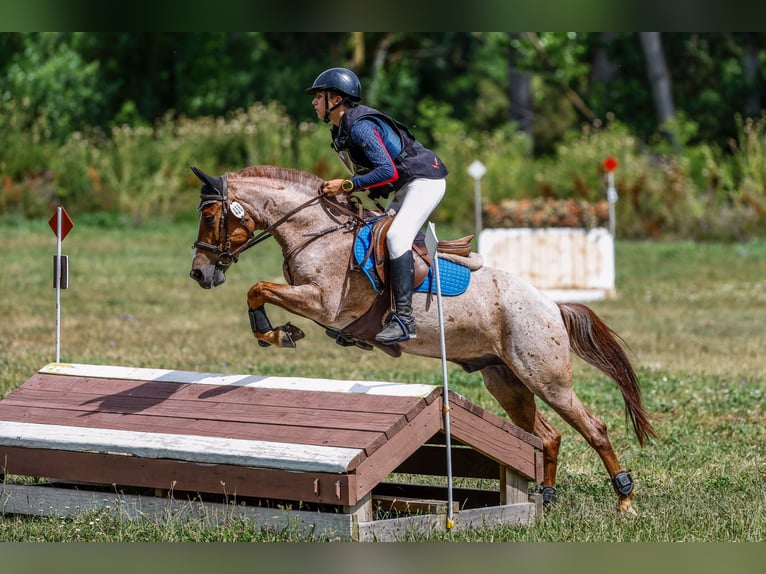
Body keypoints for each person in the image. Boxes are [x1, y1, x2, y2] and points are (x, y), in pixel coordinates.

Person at [306, 67, 449, 344]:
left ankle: (405, 320)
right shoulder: (341, 130)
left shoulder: (359, 126)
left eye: (318, 96)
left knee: (396, 237)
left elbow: (388, 171)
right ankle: (365, 321)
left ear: (335, 99)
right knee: (370, 238)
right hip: (407, 185)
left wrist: (346, 185)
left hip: (424, 181)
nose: (313, 102)